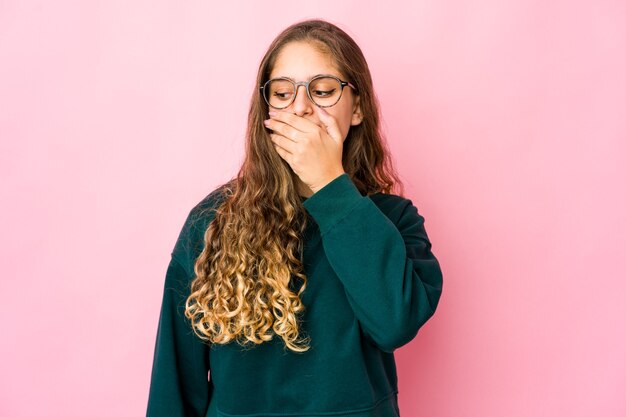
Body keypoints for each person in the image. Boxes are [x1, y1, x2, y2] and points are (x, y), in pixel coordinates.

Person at [146, 18, 443, 417]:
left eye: (322, 91)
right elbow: (175, 387)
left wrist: (328, 182)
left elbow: (395, 323)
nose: (301, 107)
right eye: (283, 93)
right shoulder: (210, 222)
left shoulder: (393, 220)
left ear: (357, 108)